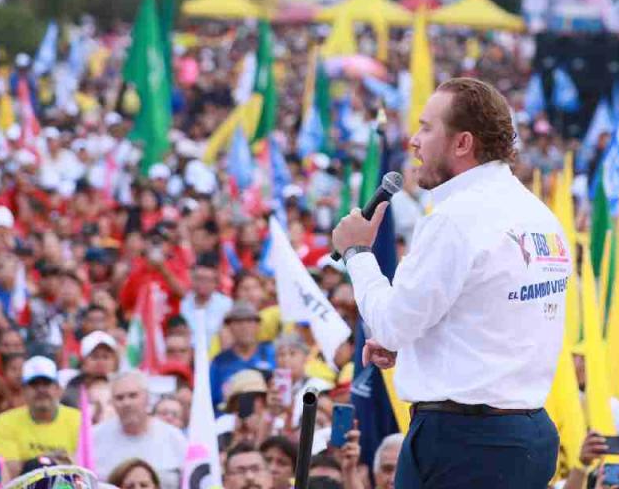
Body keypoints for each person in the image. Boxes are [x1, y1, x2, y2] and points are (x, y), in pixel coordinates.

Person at [332, 78, 568, 487]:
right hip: (525, 438)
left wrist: (358, 254)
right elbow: (491, 324)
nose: (413, 141)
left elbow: (389, 325)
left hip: (464, 444)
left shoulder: (455, 219)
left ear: (462, 143)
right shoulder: (538, 215)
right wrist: (415, 351)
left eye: (426, 127)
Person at [92, 370, 187, 489]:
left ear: (147, 398)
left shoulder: (174, 437)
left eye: (133, 395)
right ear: (112, 402)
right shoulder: (94, 438)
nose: (127, 403)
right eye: (119, 398)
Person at [0, 356, 81, 476]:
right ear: (23, 391)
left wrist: (32, 462)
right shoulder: (5, 422)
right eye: (34, 384)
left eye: (46, 384)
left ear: (58, 389)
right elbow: (9, 472)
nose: (41, 390)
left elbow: (84, 467)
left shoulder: (79, 420)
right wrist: (54, 460)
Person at [210, 302, 275, 410]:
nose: (244, 327)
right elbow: (213, 401)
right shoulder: (219, 362)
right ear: (229, 327)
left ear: (258, 325)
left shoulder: (271, 353)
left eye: (249, 321)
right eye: (238, 322)